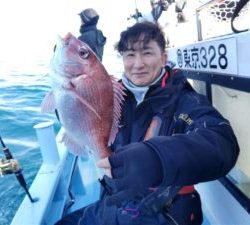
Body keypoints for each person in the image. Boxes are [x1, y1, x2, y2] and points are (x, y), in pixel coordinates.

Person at [55, 21, 239, 225]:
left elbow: (223, 144)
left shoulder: (185, 101)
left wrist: (157, 158)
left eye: (147, 53)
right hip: (112, 202)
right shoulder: (111, 94)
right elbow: (76, 113)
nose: (138, 63)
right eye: (130, 55)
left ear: (164, 57)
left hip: (162, 210)